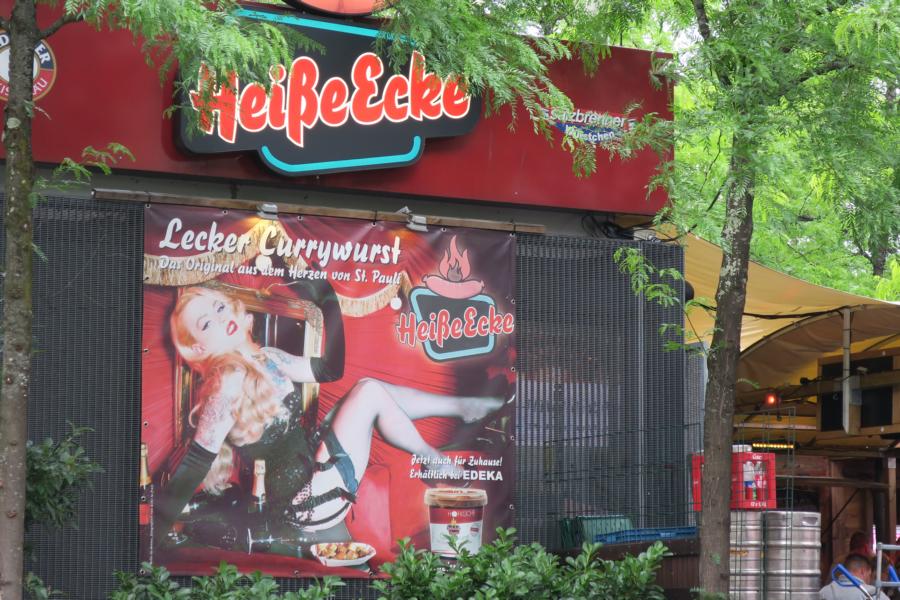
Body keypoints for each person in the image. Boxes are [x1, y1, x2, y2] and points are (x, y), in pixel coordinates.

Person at [155, 281, 505, 543]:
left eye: (219, 307)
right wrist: (154, 532)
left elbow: (329, 370)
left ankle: (462, 407)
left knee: (367, 385)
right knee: (369, 393)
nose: (220, 319)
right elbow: (198, 459)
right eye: (206, 323)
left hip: (313, 466)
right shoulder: (226, 382)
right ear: (198, 347)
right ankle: (438, 454)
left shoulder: (269, 358)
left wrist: (326, 298)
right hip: (301, 503)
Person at [820, 553, 890, 599]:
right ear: (863, 571)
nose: (869, 580)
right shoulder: (874, 594)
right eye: (869, 574)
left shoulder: (823, 592)